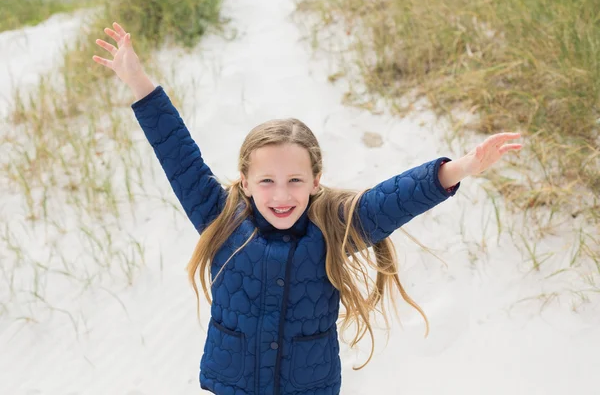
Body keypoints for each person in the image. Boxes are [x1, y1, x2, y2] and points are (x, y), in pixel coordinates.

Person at [93, 22, 522, 395]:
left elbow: (393, 199)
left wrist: (458, 168)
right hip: (234, 385)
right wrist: (139, 83)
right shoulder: (219, 217)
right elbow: (178, 154)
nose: (282, 195)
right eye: (267, 181)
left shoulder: (333, 230)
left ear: (316, 181)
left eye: (295, 181)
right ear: (245, 182)